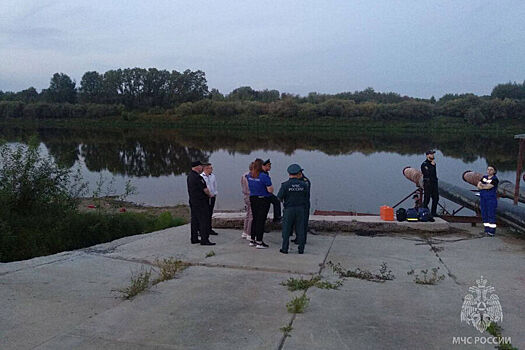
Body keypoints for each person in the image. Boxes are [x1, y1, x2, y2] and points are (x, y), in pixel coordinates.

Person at [277, 164, 310, 254]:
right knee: (301, 229)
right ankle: (301, 249)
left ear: (289, 173)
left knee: (286, 230)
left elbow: (279, 198)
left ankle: (285, 249)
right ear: (299, 173)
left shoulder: (285, 185)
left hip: (289, 209)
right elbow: (306, 197)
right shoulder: (304, 184)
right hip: (300, 209)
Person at [187, 160, 215, 246]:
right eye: (201, 166)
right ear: (197, 167)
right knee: (204, 220)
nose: (202, 168)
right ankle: (204, 239)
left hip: (193, 201)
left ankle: (194, 238)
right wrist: (210, 195)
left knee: (194, 220)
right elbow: (205, 189)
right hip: (201, 202)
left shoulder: (190, 176)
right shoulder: (198, 177)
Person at [247, 158, 273, 249]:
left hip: (253, 198)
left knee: (255, 219)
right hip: (263, 199)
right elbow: (270, 190)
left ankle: (252, 239)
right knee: (261, 221)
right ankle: (259, 242)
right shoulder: (263, 176)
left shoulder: (250, 175)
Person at [477, 166, 499, 236]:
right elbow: (478, 185)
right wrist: (483, 186)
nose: (489, 171)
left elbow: (489, 187)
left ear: (494, 171)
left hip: (491, 199)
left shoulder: (495, 179)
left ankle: (491, 232)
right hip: (483, 198)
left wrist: (483, 186)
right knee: (484, 214)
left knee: (491, 215)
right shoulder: (484, 177)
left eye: (491, 170)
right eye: (488, 169)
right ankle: (486, 230)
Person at [201, 163, 218, 235]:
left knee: (210, 213)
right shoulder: (201, 177)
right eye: (210, 168)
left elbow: (215, 185)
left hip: (212, 196)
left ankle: (209, 228)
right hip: (205, 198)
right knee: (204, 213)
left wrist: (215, 193)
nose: (212, 169)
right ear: (206, 169)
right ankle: (202, 229)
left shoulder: (213, 176)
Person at [421, 150, 439, 218]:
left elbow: (434, 174)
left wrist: (433, 165)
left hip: (434, 183)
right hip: (428, 183)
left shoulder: (433, 163)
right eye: (431, 154)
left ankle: (433, 212)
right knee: (427, 198)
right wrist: (432, 166)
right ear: (427, 155)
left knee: (436, 198)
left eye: (433, 154)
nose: (433, 155)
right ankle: (424, 212)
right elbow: (427, 173)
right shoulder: (424, 164)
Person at [241, 162, 254, 239]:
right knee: (252, 215)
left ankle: (245, 232)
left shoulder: (244, 175)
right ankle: (249, 233)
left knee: (248, 214)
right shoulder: (250, 176)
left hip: (245, 196)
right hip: (251, 195)